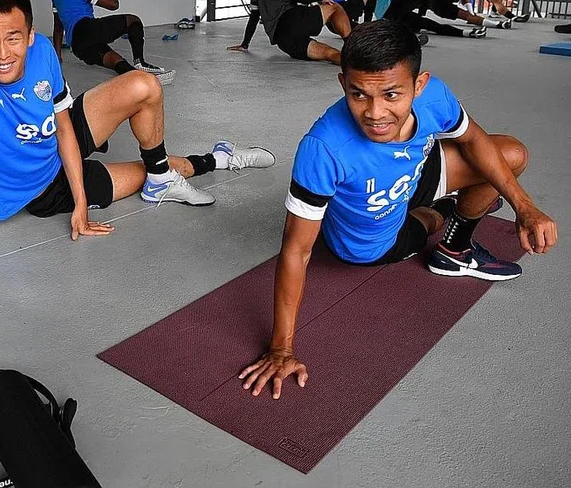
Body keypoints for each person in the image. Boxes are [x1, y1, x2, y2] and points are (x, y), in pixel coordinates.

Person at [237, 20, 557, 399]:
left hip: (416, 170)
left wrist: (526, 206)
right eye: (359, 95)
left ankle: (455, 249)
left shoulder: (434, 96)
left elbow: (473, 138)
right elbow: (297, 250)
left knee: (511, 154)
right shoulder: (323, 147)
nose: (375, 113)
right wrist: (281, 350)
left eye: (392, 95)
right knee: (431, 217)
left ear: (418, 85)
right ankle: (446, 213)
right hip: (373, 233)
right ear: (343, 84)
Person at [0, 0, 276, 281]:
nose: (2, 53)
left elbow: (64, 124)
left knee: (144, 85)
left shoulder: (43, 52)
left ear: (30, 36)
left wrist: (84, 202)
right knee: (152, 172)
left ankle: (160, 178)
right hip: (44, 188)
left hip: (56, 137)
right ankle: (218, 159)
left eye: (13, 38)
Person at [52, 0, 175, 85]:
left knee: (114, 60)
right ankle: (140, 62)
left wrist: (57, 56)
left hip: (77, 46)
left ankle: (140, 79)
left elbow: (58, 28)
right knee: (133, 20)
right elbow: (113, 4)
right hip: (86, 28)